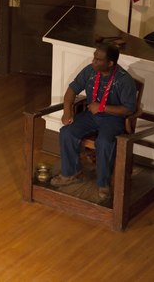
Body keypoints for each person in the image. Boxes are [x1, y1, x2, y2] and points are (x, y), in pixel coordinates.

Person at [50, 44, 137, 200]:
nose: (93, 61)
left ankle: (103, 183)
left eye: (98, 59)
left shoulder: (124, 80)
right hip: (91, 115)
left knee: (104, 142)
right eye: (94, 57)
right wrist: (67, 111)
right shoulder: (90, 71)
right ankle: (71, 173)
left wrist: (102, 107)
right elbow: (72, 90)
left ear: (110, 63)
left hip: (113, 119)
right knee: (67, 132)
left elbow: (128, 109)